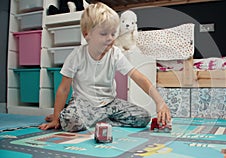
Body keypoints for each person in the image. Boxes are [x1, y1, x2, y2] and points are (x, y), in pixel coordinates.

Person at [38, 2, 171, 132]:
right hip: (84, 103)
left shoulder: (115, 53)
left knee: (144, 117)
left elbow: (138, 77)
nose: (110, 38)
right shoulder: (77, 55)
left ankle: (96, 120)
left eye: (113, 34)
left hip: (109, 104)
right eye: (103, 34)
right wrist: (56, 118)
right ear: (87, 35)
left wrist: (159, 102)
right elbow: (64, 88)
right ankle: (65, 115)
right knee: (70, 122)